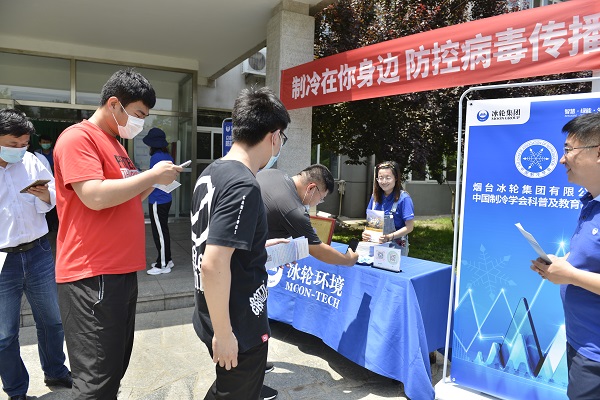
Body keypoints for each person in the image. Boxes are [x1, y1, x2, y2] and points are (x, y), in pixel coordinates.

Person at [53, 69, 183, 399]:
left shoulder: (116, 145)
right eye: (138, 114)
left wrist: (155, 180)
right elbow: (94, 196)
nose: (140, 123)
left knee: (112, 370)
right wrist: (151, 175)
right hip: (92, 272)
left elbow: (125, 197)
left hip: (120, 271)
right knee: (95, 380)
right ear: (114, 104)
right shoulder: (78, 138)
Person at [191, 87, 290, 400]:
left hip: (214, 310)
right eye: (282, 138)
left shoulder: (212, 172)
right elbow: (214, 262)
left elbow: (216, 241)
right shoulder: (243, 184)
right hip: (238, 321)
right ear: (274, 136)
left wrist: (260, 246)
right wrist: (225, 334)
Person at [0, 108, 71, 400]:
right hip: (3, 260)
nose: (19, 149)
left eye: (24, 144)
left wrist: (47, 196)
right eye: (12, 144)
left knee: (52, 320)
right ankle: (16, 391)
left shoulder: (34, 161)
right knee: (5, 334)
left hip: (38, 251)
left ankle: (56, 371)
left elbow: (54, 196)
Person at [531, 112, 600, 399]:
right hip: (581, 339)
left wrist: (569, 275)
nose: (562, 160)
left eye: (569, 150)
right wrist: (561, 264)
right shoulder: (591, 203)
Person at [257, 164, 358, 266]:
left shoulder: (271, 173)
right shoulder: (295, 211)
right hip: (250, 259)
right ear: (311, 188)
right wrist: (348, 260)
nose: (318, 203)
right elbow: (318, 250)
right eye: (321, 198)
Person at [362, 160, 414, 256]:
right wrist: (365, 233)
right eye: (380, 178)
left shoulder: (404, 198)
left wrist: (389, 237)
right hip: (375, 246)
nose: (384, 181)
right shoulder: (374, 197)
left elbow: (409, 227)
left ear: (396, 178)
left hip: (396, 248)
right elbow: (370, 223)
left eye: (388, 178)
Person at [143, 127, 175, 275]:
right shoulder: (168, 156)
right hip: (166, 198)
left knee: (160, 233)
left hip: (157, 199)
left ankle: (162, 264)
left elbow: (152, 180)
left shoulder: (155, 157)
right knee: (163, 231)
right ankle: (167, 259)